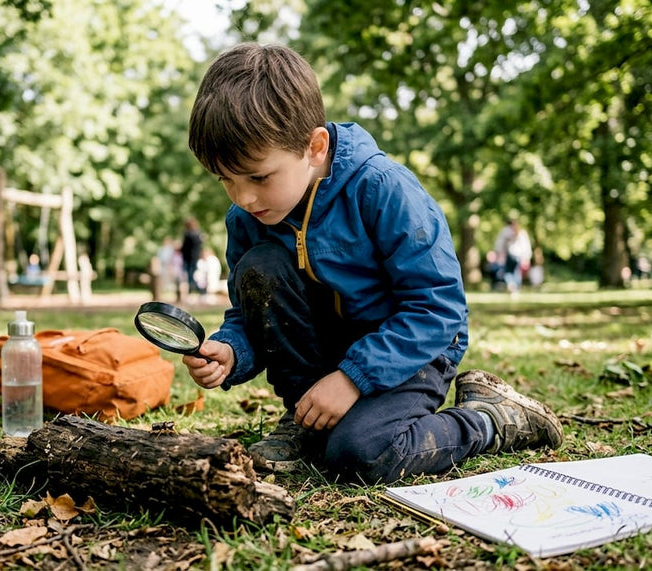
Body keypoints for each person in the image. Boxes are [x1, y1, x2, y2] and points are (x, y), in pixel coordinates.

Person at [182, 42, 562, 484]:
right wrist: (231, 351)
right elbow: (250, 315)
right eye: (225, 180)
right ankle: (305, 418)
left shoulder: (384, 190)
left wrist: (352, 378)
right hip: (333, 355)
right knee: (259, 267)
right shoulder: (248, 218)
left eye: (258, 177)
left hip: (413, 347)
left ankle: (492, 418)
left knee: (362, 453)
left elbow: (438, 308)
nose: (243, 197)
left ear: (315, 146)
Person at [493, 217, 532, 294]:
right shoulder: (521, 232)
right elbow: (526, 246)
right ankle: (515, 287)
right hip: (517, 256)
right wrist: (527, 257)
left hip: (511, 255)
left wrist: (498, 254)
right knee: (515, 272)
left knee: (509, 272)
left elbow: (499, 244)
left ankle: (512, 285)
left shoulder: (505, 231)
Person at [180, 218, 205, 297]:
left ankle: (200, 291)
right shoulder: (199, 234)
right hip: (195, 258)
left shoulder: (188, 234)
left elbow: (185, 248)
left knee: (190, 276)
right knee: (191, 276)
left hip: (189, 258)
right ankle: (196, 291)